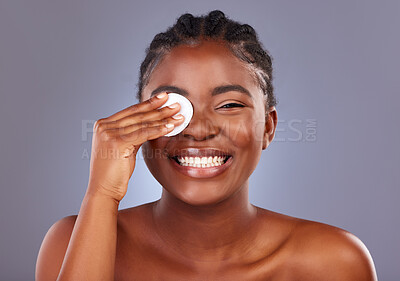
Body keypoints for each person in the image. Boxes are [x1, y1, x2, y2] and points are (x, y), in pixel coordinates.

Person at [35, 10, 377, 281]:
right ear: (135, 122)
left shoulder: (334, 262)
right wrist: (102, 195)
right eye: (171, 107)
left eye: (229, 105)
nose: (198, 129)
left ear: (268, 128)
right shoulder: (70, 243)